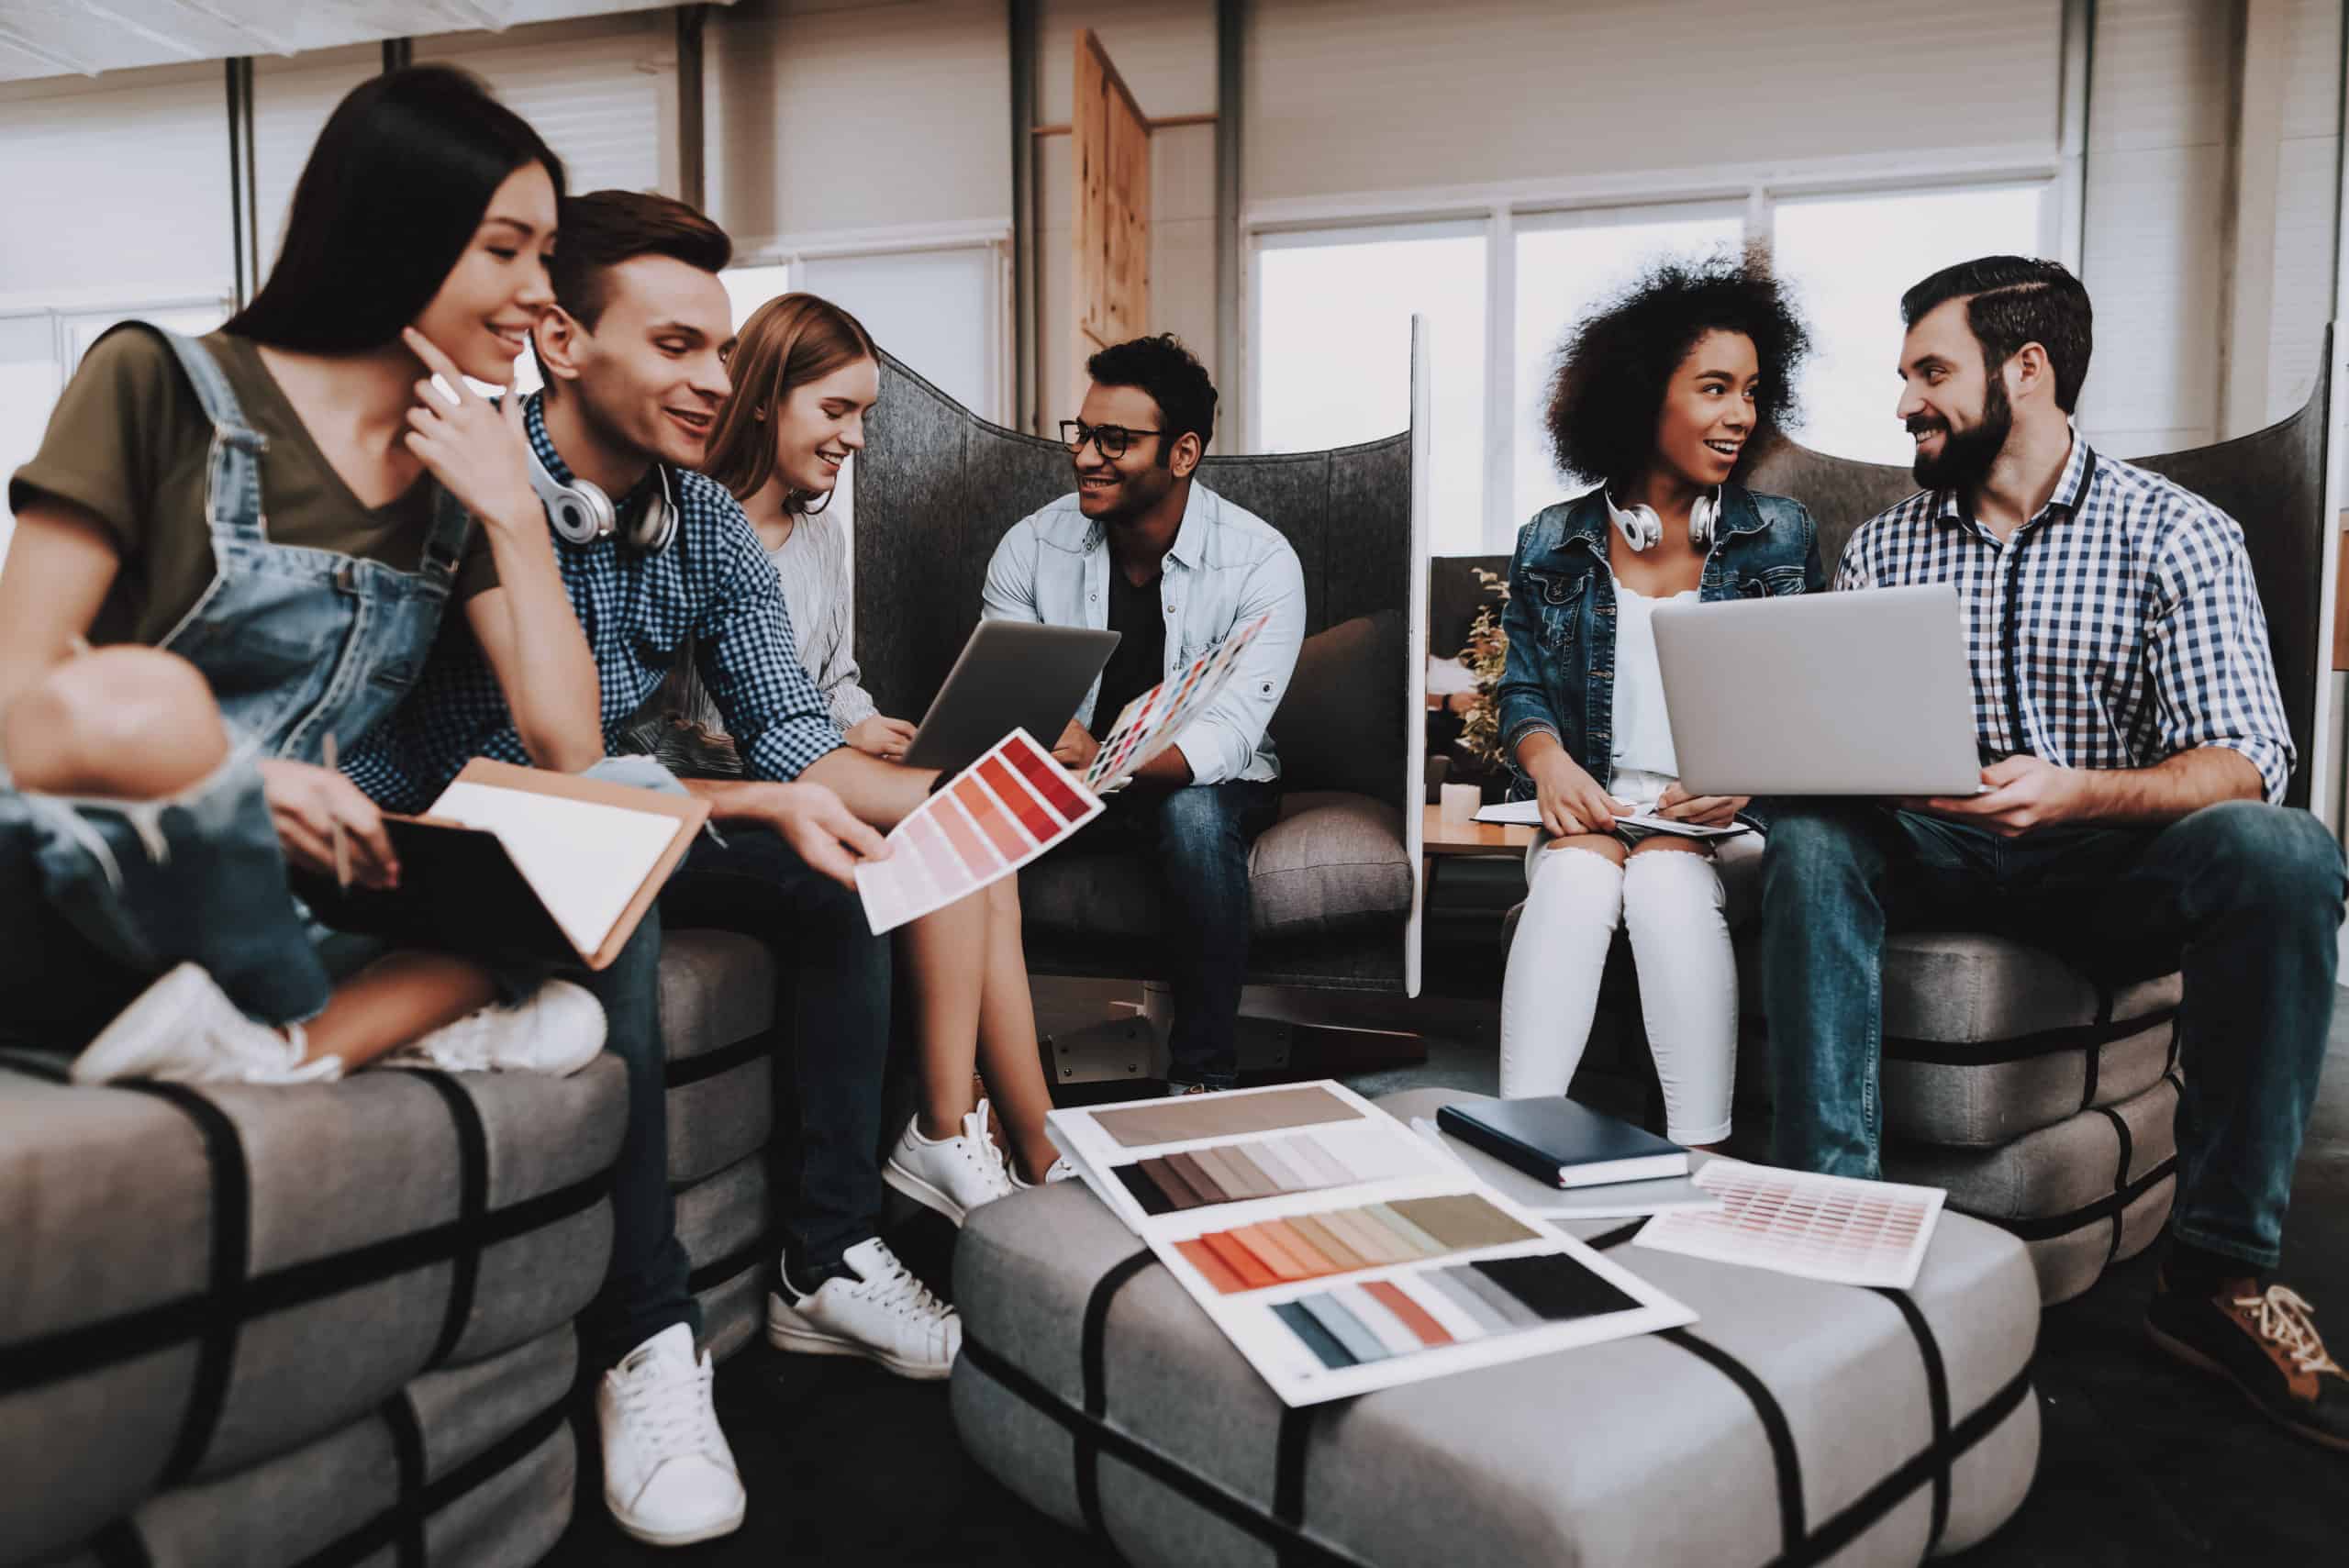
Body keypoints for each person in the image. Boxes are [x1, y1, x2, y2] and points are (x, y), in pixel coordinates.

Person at [343, 192, 960, 1547]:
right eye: (678, 344)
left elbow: (797, 735)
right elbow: (546, 757)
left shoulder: (704, 519)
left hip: (603, 806)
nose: (713, 383)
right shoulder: (466, 470)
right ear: (560, 338)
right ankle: (647, 1336)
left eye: (721, 352)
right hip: (437, 830)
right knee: (619, 811)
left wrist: (949, 797)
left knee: (843, 867)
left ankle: (825, 1253)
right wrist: (752, 795)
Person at [1759, 256, 2347, 1449]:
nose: (1906, 401)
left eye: (1931, 371)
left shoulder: (2177, 535)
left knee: (2283, 852)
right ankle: (1837, 1226)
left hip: (2110, 864)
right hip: (1942, 845)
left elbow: (2244, 757)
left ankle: (2218, 1276)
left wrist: (2084, 793)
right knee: (1815, 829)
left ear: (2025, 371)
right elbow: (1839, 741)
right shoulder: (1882, 549)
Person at [0, 66, 607, 1087]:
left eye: (546, 254)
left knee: (584, 880)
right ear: (395, 230)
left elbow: (569, 742)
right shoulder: (155, 380)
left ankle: (268, 1050)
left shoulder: (460, 468)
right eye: (504, 249)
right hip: (101, 863)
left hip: (278, 908)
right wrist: (230, 788)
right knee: (156, 698)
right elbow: (17, 696)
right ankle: (297, 1035)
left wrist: (515, 512)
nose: (542, 292)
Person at [683, 292, 1073, 1200]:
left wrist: (859, 723)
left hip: (817, 753)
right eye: (835, 410)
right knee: (961, 823)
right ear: (763, 397)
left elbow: (830, 679)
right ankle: (967, 1131)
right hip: (730, 782)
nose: (855, 437)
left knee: (988, 831)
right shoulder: (695, 527)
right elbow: (703, 716)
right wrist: (834, 745)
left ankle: (1028, 1139)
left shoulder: (819, 534)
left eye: (864, 414)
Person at [1494, 255, 1820, 1151]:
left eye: (1751, 391)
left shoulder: (1780, 535)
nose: (1740, 415)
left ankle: (1700, 1160)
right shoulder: (1550, 541)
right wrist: (1549, 763)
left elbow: (1810, 704)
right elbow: (1520, 686)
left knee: (1670, 880)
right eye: (1714, 387)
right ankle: (1521, 1141)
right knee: (1571, 876)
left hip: (1724, 814)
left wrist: (1745, 781)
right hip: (1601, 797)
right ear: (1642, 398)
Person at [983, 334, 1306, 1095]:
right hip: (1064, 779)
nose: (1088, 455)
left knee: (1191, 818)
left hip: (1198, 777)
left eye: (1116, 440)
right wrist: (1034, 742)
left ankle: (1202, 1081)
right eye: (1082, 433)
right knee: (962, 823)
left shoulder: (1261, 563)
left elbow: (1227, 737)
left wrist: (1108, 763)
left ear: (1184, 453)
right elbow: (1010, 700)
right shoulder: (1031, 548)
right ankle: (971, 1081)